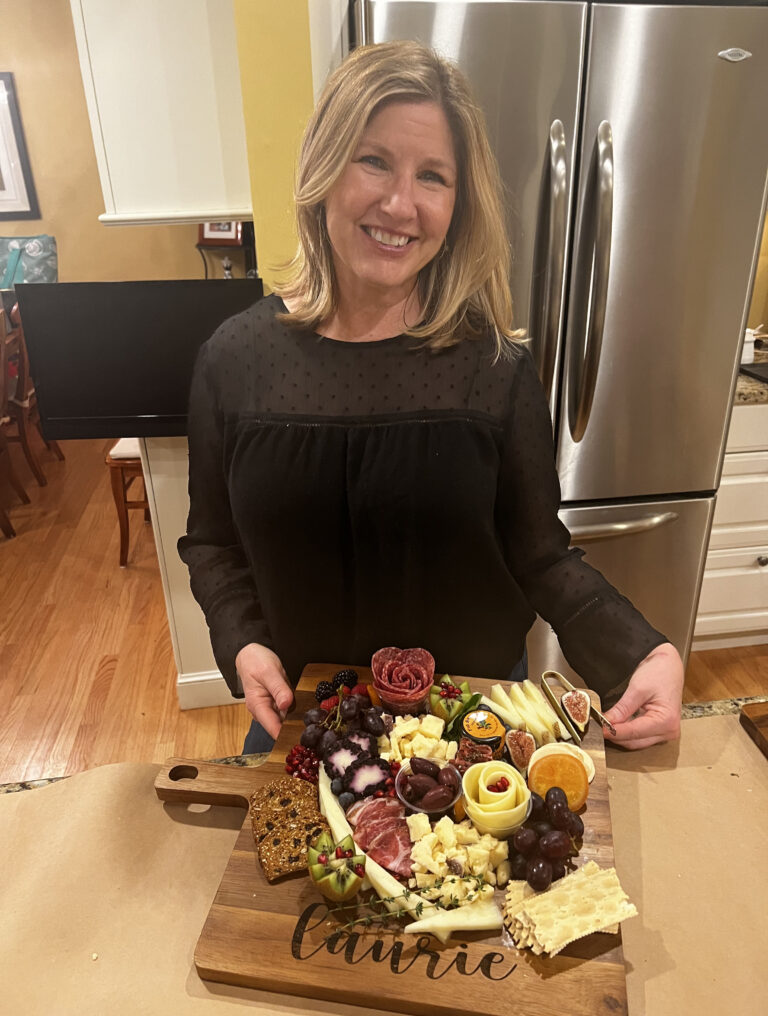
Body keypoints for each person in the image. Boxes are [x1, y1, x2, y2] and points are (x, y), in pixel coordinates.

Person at [179, 41, 684, 755]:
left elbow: (540, 554)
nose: (400, 204)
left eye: (434, 177)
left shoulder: (494, 367)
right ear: (324, 168)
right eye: (374, 160)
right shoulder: (233, 361)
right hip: (306, 719)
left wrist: (643, 651)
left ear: (459, 203)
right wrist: (241, 642)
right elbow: (212, 542)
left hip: (470, 730)